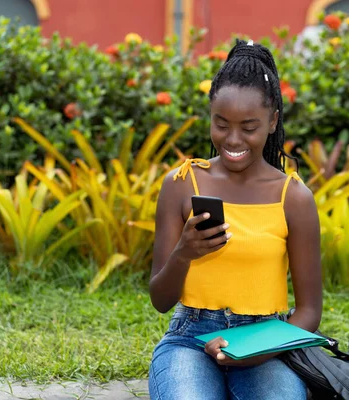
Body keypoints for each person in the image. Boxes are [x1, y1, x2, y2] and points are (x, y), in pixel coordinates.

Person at [148, 39, 322, 400]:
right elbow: (160, 299)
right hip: (190, 339)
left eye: (248, 126)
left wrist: (255, 351)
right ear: (210, 116)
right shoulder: (182, 184)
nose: (233, 139)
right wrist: (184, 252)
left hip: (266, 342)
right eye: (222, 124)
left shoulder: (294, 197)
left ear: (273, 121)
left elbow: (308, 311)